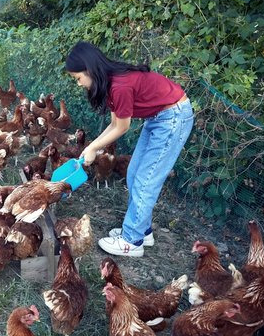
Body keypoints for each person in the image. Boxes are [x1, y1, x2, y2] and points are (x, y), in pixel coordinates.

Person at [66, 41, 194, 257]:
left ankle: (132, 241)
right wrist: (92, 148)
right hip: (158, 118)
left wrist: (94, 147)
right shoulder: (110, 83)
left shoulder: (119, 86)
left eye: (78, 78)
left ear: (88, 69)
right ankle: (143, 231)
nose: (79, 84)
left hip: (172, 119)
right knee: (134, 173)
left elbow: (123, 127)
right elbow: (114, 124)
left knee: (146, 180)